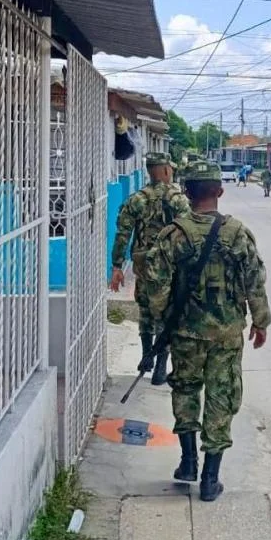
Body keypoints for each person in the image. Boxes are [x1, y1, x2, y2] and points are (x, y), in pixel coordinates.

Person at [140, 160, 271, 503]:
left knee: (185, 392)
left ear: (187, 192)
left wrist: (161, 319)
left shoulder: (172, 235)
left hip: (185, 334)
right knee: (221, 398)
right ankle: (211, 480)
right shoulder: (238, 233)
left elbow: (155, 285)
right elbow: (254, 280)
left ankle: (188, 463)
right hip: (227, 335)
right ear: (220, 191)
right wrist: (260, 321)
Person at [110, 152, 191, 384]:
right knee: (167, 314)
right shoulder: (179, 200)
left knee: (145, 312)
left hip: (144, 265)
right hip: (171, 268)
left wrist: (117, 266)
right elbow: (189, 236)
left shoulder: (137, 199)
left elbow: (123, 234)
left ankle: (147, 357)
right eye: (171, 169)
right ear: (165, 170)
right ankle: (161, 367)